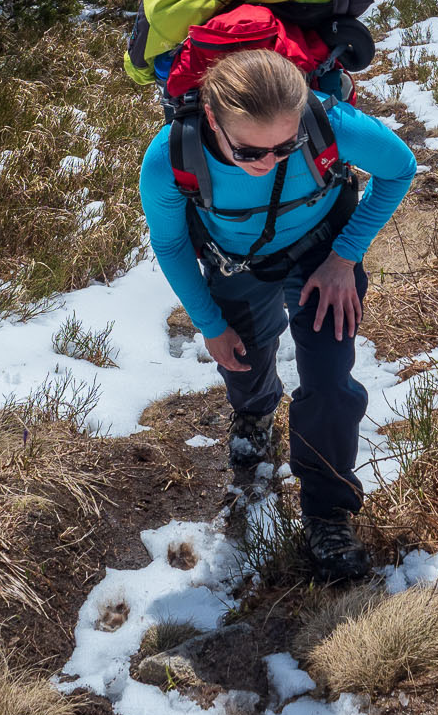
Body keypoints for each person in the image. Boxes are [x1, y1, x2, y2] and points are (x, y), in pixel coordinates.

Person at [139, 44, 416, 583]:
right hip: (236, 262)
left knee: (331, 380)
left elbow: (399, 168)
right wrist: (210, 325)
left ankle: (328, 513)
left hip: (323, 253)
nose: (271, 162)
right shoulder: (171, 157)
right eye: (250, 153)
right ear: (213, 119)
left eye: (286, 146)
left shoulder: (327, 121)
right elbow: (171, 247)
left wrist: (344, 257)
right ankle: (256, 411)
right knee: (242, 357)